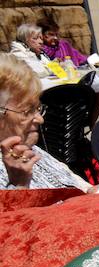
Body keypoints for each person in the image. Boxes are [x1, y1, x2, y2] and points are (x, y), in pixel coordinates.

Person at [0, 54, 93, 191]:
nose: (40, 119)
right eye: (27, 111)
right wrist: (19, 186)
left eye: (38, 108)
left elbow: (79, 185)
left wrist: (93, 191)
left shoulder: (27, 149)